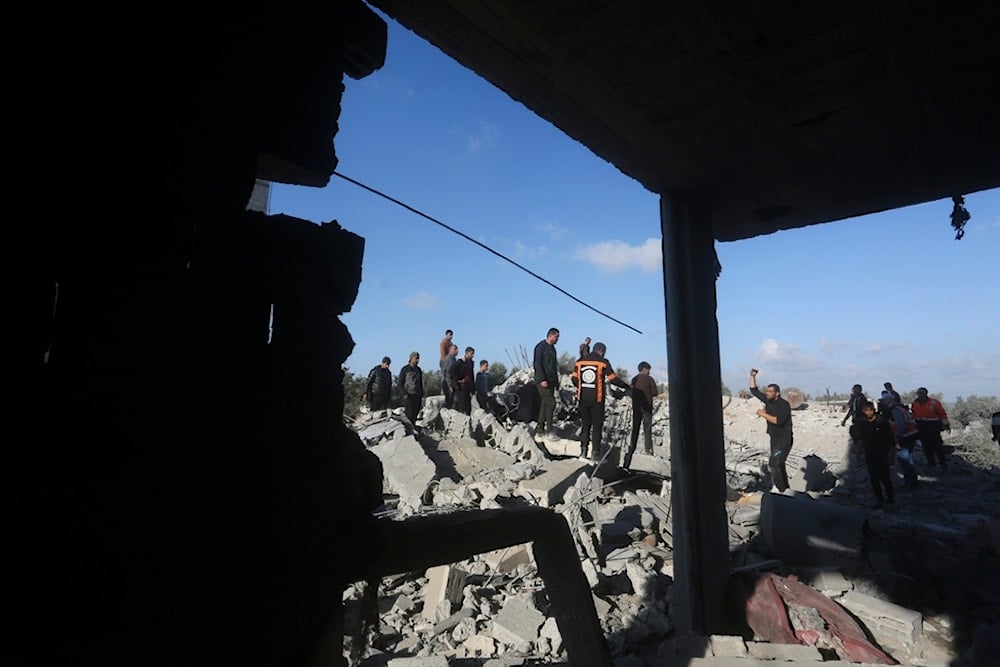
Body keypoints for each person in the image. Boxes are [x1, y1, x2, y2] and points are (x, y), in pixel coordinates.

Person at [573, 342, 630, 462]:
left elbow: (574, 378)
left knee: (585, 425)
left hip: (582, 399)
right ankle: (595, 454)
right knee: (597, 427)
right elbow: (613, 379)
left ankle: (583, 452)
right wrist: (627, 386)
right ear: (602, 351)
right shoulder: (603, 362)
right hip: (597, 400)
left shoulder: (580, 362)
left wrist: (581, 387)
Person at [749, 369, 794, 493]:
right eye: (767, 391)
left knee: (774, 462)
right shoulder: (768, 400)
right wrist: (752, 376)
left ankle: (781, 490)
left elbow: (778, 421)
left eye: (770, 391)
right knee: (779, 464)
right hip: (774, 439)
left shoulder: (784, 405)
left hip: (784, 441)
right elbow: (754, 391)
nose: (767, 393)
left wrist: (763, 414)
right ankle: (786, 490)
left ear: (777, 393)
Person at [850, 401, 896, 507]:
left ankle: (890, 500)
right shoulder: (863, 423)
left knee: (885, 478)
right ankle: (879, 499)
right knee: (873, 478)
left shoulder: (882, 422)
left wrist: (891, 456)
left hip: (882, 454)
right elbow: (861, 439)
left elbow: (891, 441)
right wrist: (858, 453)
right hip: (869, 454)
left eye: (870, 410)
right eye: (865, 411)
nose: (868, 413)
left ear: (874, 411)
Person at [623, 361, 658, 470]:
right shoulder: (650, 379)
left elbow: (631, 391)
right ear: (645, 369)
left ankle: (631, 449)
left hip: (636, 407)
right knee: (647, 428)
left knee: (635, 428)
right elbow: (655, 392)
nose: (649, 372)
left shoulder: (634, 378)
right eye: (648, 369)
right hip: (647, 407)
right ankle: (648, 450)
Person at [883, 392, 921, 489]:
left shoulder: (894, 410)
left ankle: (910, 483)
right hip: (911, 435)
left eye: (884, 400)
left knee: (904, 461)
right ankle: (913, 482)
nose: (883, 402)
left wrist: (897, 438)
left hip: (904, 438)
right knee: (909, 460)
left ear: (889, 400)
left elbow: (900, 425)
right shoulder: (901, 408)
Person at [911, 387, 951, 470]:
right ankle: (931, 462)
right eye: (919, 393)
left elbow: (942, 414)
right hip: (921, 427)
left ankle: (943, 464)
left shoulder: (934, 403)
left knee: (937, 445)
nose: (920, 395)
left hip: (933, 427)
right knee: (926, 446)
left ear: (926, 394)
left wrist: (946, 425)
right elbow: (914, 415)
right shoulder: (915, 403)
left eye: (922, 393)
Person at [533, 327, 560, 440]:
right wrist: (542, 379)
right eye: (556, 337)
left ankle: (540, 429)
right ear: (550, 335)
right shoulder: (540, 347)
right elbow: (537, 363)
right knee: (551, 403)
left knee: (545, 405)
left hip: (551, 382)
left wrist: (556, 382)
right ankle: (549, 430)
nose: (557, 339)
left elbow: (553, 366)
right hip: (542, 381)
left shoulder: (553, 349)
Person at [398, 352, 424, 428]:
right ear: (411, 358)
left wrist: (421, 393)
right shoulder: (405, 369)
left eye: (418, 359)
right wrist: (404, 394)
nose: (418, 360)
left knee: (415, 414)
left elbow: (420, 382)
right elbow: (400, 383)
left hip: (417, 395)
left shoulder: (418, 370)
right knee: (409, 415)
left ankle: (414, 428)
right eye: (416, 358)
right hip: (409, 395)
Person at [450, 346, 476, 415]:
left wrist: (473, 389)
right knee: (462, 405)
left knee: (468, 406)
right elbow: (452, 370)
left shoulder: (471, 363)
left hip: (468, 387)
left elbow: (471, 375)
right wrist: (457, 381)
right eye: (471, 353)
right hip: (461, 387)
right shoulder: (460, 361)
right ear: (467, 353)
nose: (473, 355)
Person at [441, 343, 458, 409]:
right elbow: (447, 373)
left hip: (452, 382)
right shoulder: (449, 359)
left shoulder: (454, 359)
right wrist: (449, 385)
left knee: (453, 401)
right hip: (447, 383)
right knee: (449, 400)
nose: (457, 351)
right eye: (455, 349)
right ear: (451, 350)